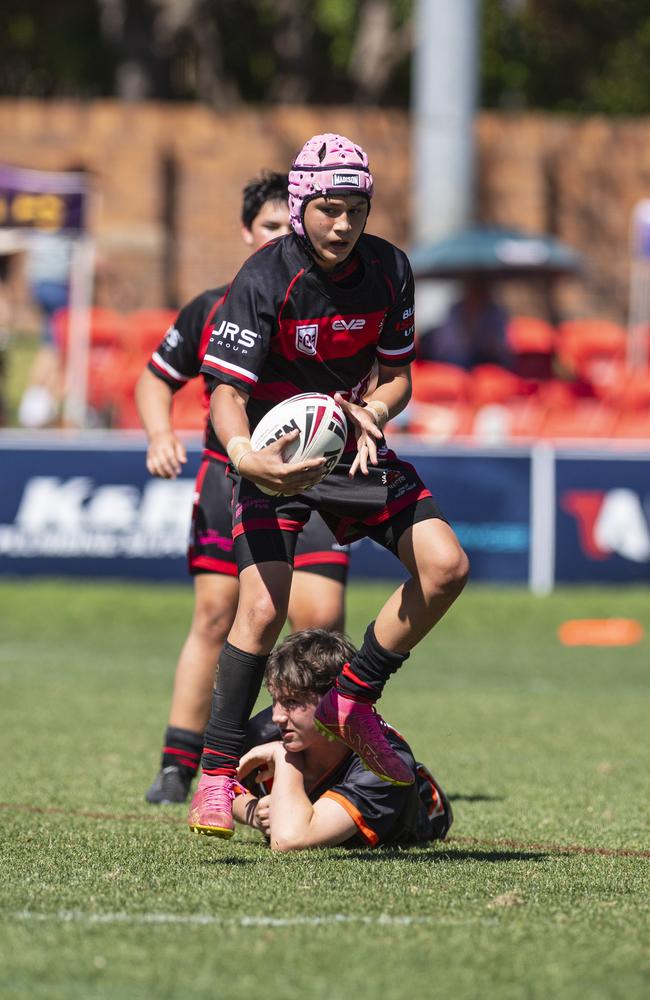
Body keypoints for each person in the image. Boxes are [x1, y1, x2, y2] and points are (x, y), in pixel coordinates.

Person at [188, 132, 469, 839]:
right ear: (302, 203)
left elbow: (400, 375)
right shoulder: (263, 277)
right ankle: (215, 778)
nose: (343, 225)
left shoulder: (390, 270)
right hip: (274, 460)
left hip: (355, 453)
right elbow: (223, 391)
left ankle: (353, 699)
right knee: (260, 610)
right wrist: (245, 456)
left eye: (356, 210)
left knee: (446, 568)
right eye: (329, 209)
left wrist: (372, 411)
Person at [136, 171, 351, 805]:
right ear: (246, 232)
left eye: (291, 225)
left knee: (319, 619)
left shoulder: (331, 305)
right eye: (270, 226)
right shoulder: (212, 306)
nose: (283, 237)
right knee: (217, 615)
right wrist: (157, 434)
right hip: (229, 478)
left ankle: (303, 755)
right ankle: (182, 762)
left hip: (316, 479)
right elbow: (156, 379)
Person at [233, 629, 453, 850]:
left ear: (334, 699)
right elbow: (215, 792)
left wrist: (283, 756)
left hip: (419, 820)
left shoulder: (382, 765)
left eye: (292, 701)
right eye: (275, 699)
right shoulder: (268, 731)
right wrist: (253, 812)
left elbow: (289, 840)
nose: (277, 716)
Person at [417, 278, 513, 370]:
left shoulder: (496, 312)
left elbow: (500, 347)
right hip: (455, 362)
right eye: (474, 291)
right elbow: (449, 346)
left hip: (489, 363)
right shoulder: (455, 311)